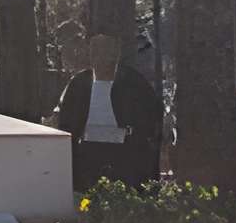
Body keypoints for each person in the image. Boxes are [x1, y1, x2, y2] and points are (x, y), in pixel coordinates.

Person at [52, 32, 164, 192]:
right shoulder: (78, 84)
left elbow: (152, 122)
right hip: (88, 156)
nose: (100, 55)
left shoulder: (134, 83)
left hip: (126, 155)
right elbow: (66, 124)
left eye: (105, 49)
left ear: (116, 52)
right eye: (95, 49)